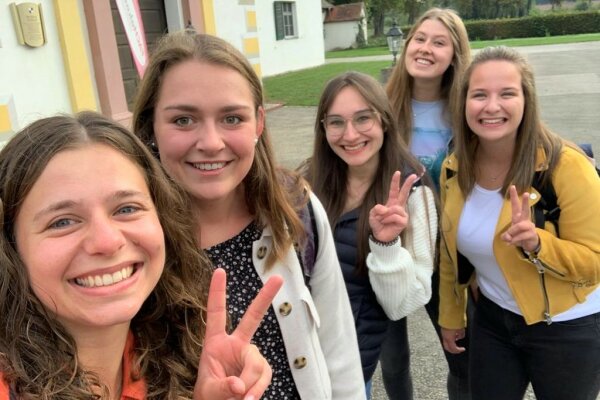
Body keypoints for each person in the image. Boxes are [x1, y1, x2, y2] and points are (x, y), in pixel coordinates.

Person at [132, 31, 365, 400]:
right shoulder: (131, 241)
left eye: (231, 118)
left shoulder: (294, 208)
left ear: (258, 123)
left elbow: (338, 347)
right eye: (183, 120)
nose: (210, 142)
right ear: (151, 127)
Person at [0, 111, 284, 399]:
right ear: (10, 246)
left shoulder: (174, 351)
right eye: (63, 221)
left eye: (126, 209)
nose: (108, 242)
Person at [439, 46, 600, 400]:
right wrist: (451, 315)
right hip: (493, 320)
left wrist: (539, 245)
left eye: (507, 93)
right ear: (464, 102)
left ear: (527, 101)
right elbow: (449, 252)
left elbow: (595, 262)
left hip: (566, 327)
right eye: (479, 94)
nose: (491, 106)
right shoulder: (454, 166)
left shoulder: (567, 167)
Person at [303, 71, 437, 399]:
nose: (350, 134)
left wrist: (387, 245)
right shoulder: (306, 182)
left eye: (363, 118)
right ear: (323, 129)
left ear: (385, 121)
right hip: (298, 354)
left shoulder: (414, 193)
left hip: (347, 366)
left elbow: (402, 304)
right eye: (335, 122)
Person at [384, 8, 472, 400]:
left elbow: (519, 126)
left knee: (460, 358)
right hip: (388, 246)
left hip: (446, 254)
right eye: (419, 39)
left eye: (439, 42)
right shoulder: (382, 106)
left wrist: (572, 152)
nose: (425, 48)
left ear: (454, 55)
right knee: (392, 358)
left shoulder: (468, 109)